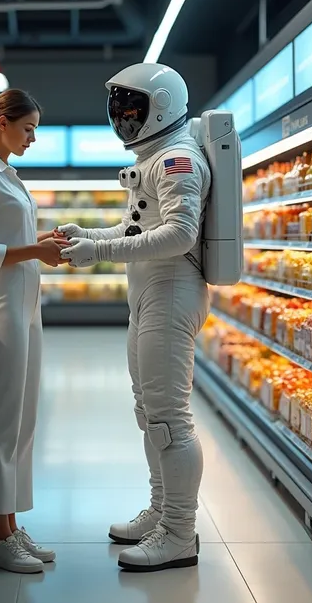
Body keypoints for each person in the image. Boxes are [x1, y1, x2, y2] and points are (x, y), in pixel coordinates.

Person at [59, 63, 211, 573]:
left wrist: (97, 253)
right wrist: (92, 236)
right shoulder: (157, 157)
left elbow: (180, 235)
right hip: (150, 288)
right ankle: (162, 510)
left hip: (170, 288)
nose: (122, 118)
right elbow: (135, 226)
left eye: (132, 109)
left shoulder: (177, 160)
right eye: (119, 109)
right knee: (150, 412)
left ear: (160, 108)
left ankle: (179, 532)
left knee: (169, 419)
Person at [0, 89, 69, 574]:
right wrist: (32, 252)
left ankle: (12, 525)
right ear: (2, 122)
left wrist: (38, 242)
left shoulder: (8, 173)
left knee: (24, 421)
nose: (33, 138)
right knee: (4, 423)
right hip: (3, 305)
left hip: (26, 304)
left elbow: (9, 240)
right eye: (28, 129)